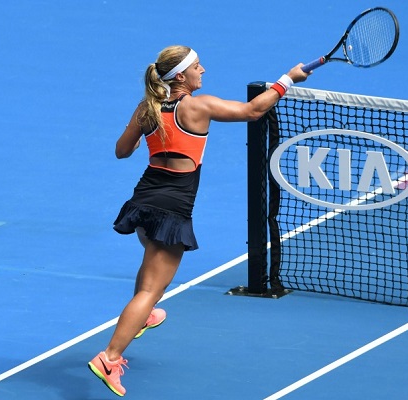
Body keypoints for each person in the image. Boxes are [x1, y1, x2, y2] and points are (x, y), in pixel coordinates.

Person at [87, 45, 309, 396]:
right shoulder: (197, 107)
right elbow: (253, 111)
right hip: (171, 210)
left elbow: (122, 150)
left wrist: (149, 130)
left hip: (141, 203)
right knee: (150, 290)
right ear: (181, 77)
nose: (202, 71)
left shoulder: (148, 109)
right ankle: (110, 358)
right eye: (197, 67)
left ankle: (142, 316)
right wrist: (287, 80)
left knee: (151, 282)